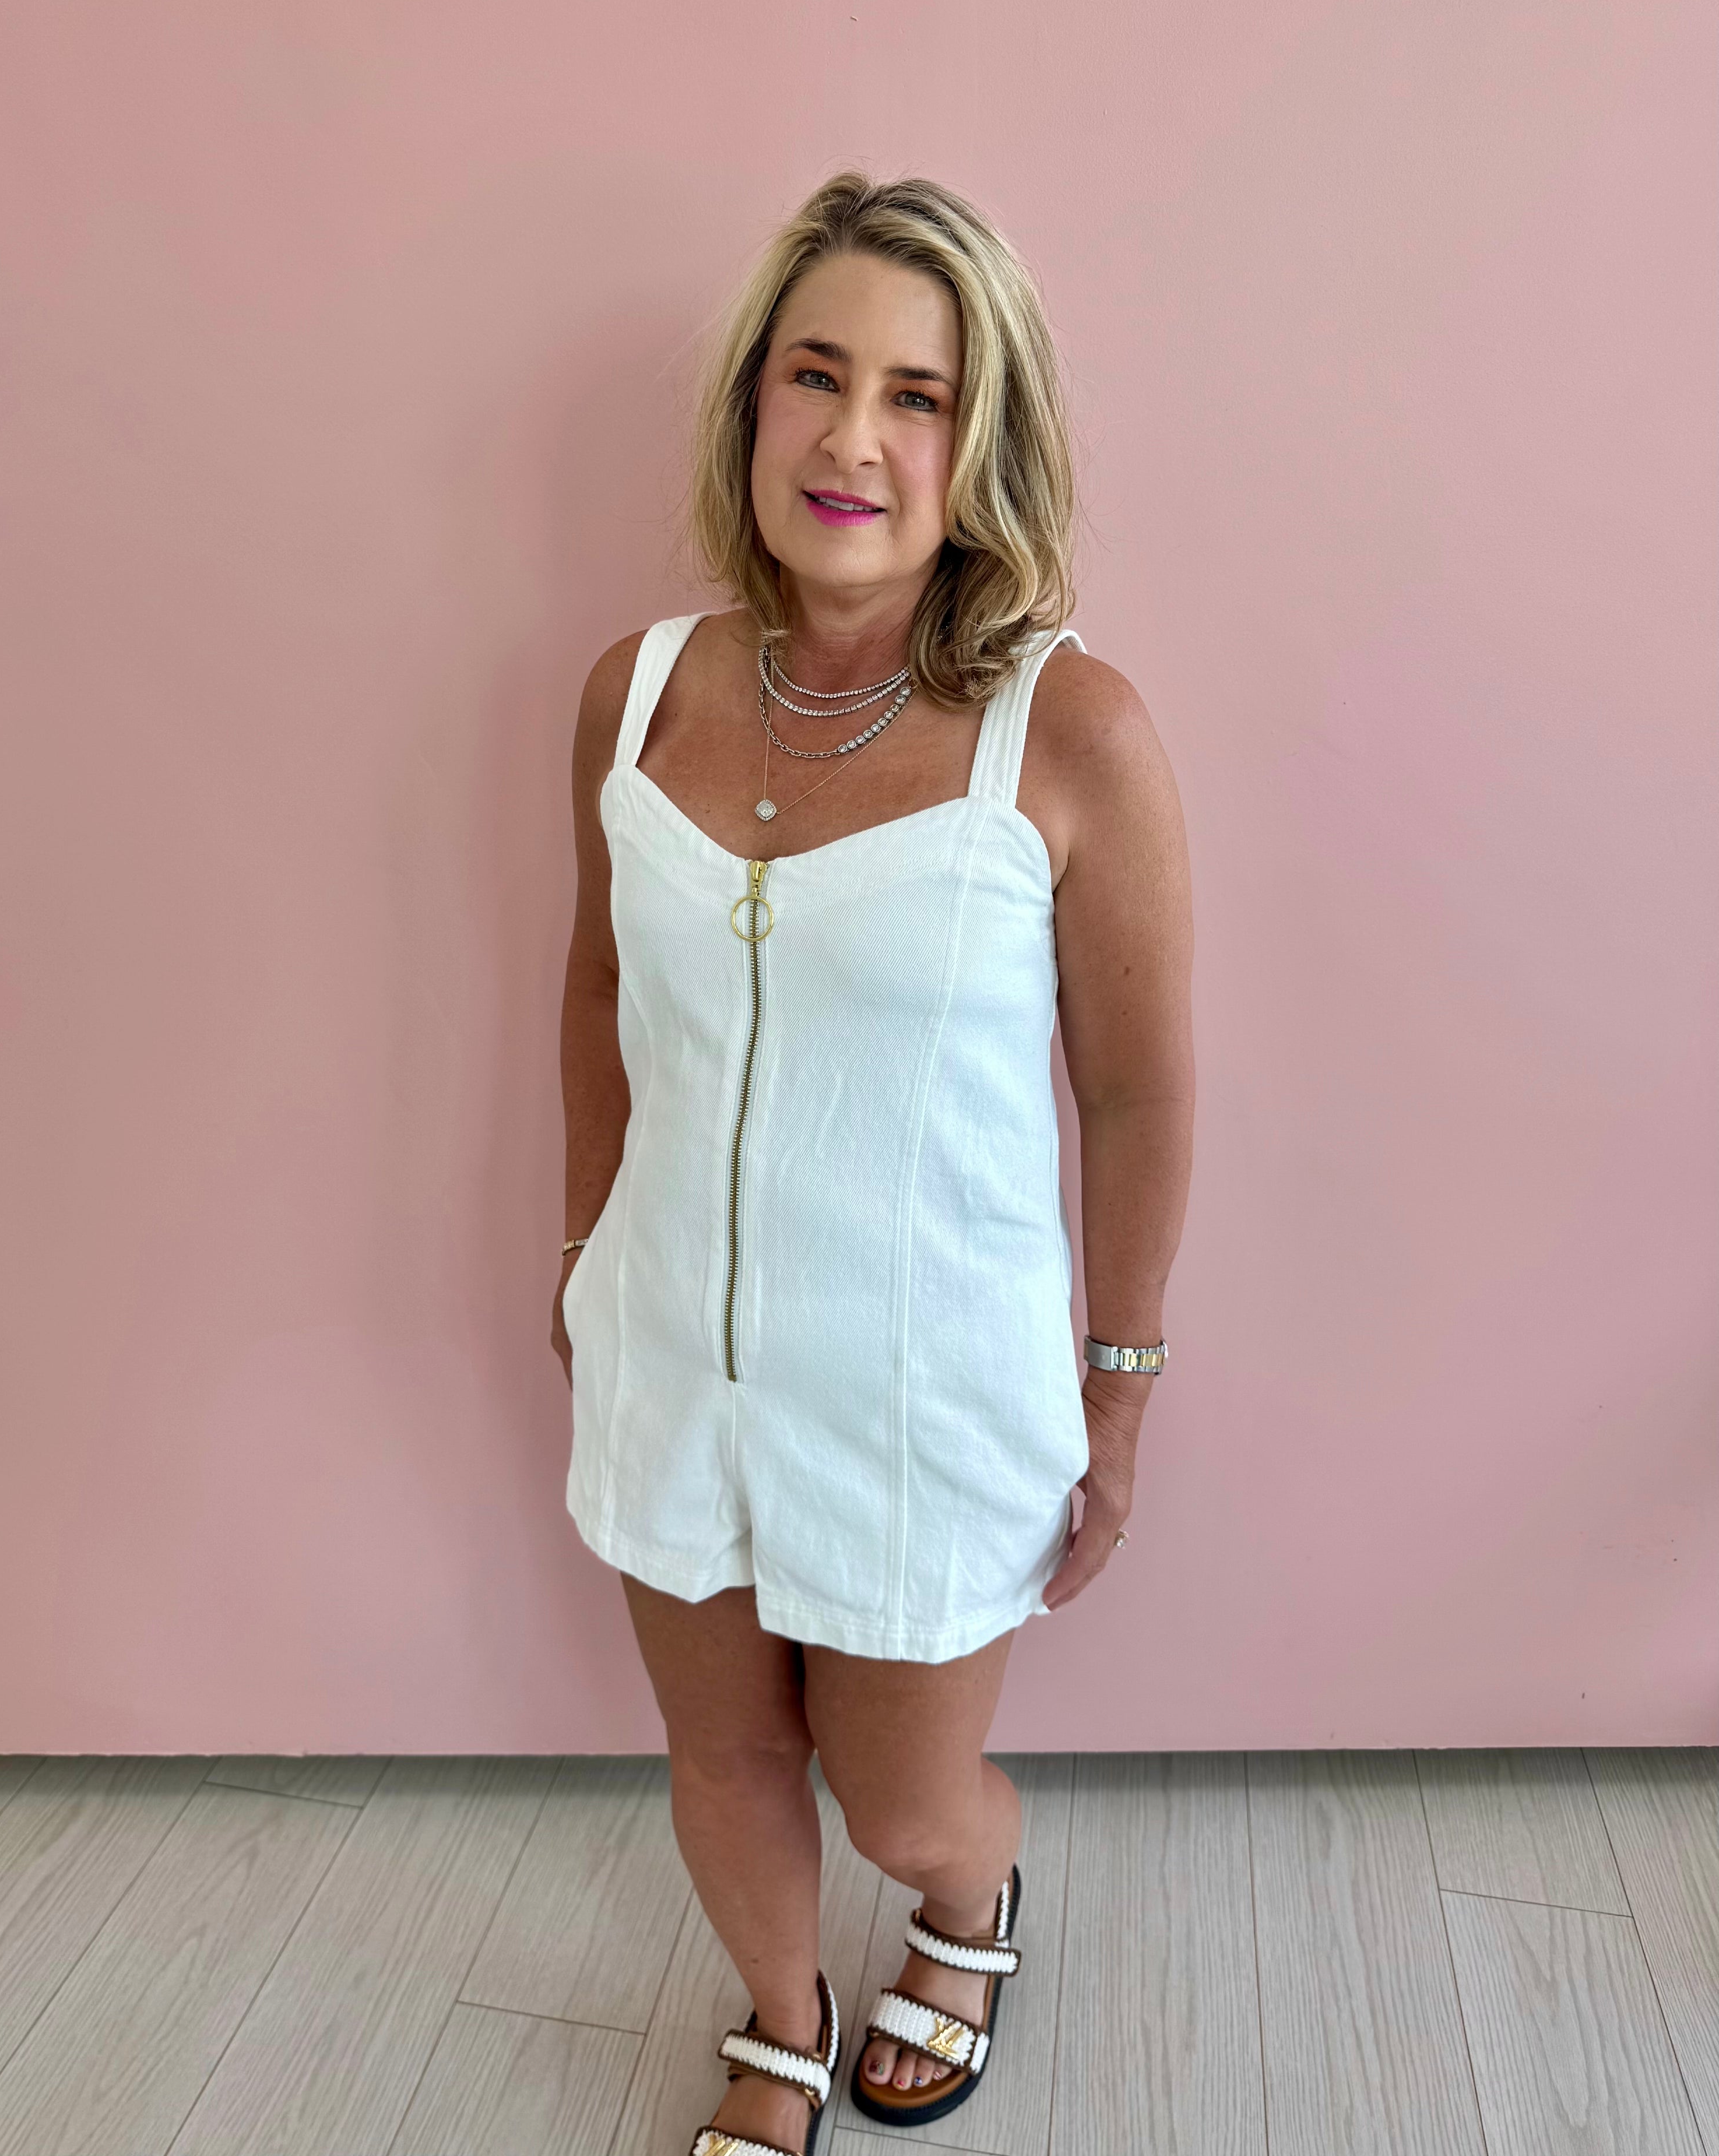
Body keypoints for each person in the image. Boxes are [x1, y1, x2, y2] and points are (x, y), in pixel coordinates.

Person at [554, 171, 1193, 2156]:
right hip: (676, 1360)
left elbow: (1140, 1092)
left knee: (905, 1797)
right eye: (816, 376)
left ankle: (968, 1903)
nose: (853, 439)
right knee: (723, 1755)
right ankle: (779, 2018)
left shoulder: (1070, 732)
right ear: (753, 400)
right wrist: (581, 1255)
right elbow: (598, 988)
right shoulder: (635, 695)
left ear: (979, 440)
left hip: (930, 1394)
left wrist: (1121, 1390)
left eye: (918, 395)